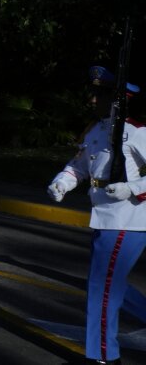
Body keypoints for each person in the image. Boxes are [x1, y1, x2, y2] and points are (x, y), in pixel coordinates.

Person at [46, 65, 146, 365]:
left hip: (128, 218)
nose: (92, 100)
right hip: (104, 217)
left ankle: (103, 357)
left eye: (98, 95)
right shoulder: (97, 130)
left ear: (117, 100)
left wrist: (133, 189)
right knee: (109, 284)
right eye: (93, 93)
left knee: (101, 288)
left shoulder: (137, 133)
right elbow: (79, 165)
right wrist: (63, 181)